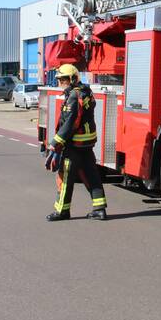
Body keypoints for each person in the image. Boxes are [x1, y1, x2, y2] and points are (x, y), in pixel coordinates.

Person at [46, 64, 107, 221]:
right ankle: (99, 210)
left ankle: (62, 211)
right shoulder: (86, 92)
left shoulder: (74, 95)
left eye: (63, 79)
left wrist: (55, 142)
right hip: (87, 143)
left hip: (74, 144)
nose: (60, 82)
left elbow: (70, 122)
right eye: (59, 79)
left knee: (65, 178)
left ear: (72, 79)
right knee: (91, 175)